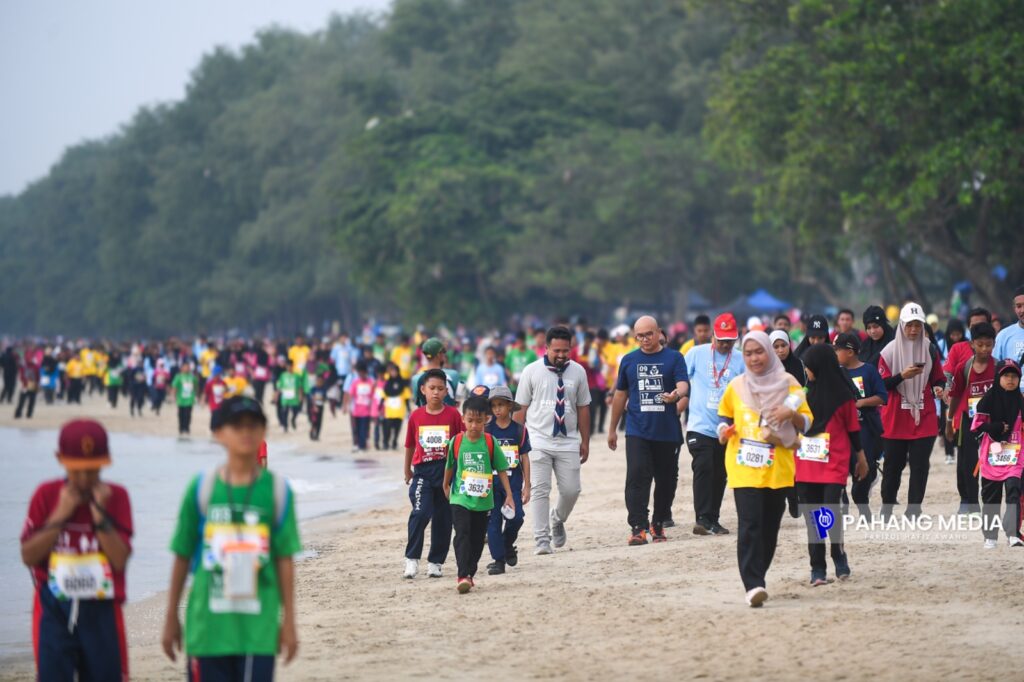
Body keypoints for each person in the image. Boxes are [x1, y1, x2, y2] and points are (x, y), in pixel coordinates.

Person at [161, 396, 301, 680]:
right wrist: (170, 617)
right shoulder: (201, 489)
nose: (245, 432)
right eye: (236, 425)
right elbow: (182, 555)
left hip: (258, 628)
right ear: (218, 433)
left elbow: (284, 559)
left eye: (253, 425)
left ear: (264, 432)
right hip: (207, 629)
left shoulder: (277, 491)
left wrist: (289, 623)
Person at [20, 419, 133, 681]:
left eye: (92, 470)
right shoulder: (46, 495)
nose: (84, 479)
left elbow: (119, 560)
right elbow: (28, 556)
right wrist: (60, 514)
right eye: (76, 470)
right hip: (53, 605)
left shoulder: (116, 496)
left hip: (102, 607)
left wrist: (101, 518)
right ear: (60, 459)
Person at [717, 331, 812, 607]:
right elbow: (723, 416)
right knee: (749, 524)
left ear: (769, 353)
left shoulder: (789, 383)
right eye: (748, 353)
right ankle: (753, 584)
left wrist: (789, 414)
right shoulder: (736, 386)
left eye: (759, 352)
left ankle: (759, 574)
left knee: (770, 527)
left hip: (778, 468)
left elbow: (806, 423)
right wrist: (723, 430)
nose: (754, 358)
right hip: (743, 466)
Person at [608, 316, 689, 545]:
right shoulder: (629, 360)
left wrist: (676, 394)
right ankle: (638, 527)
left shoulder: (674, 358)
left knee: (666, 481)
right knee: (636, 477)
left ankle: (658, 522)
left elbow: (683, 384)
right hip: (637, 430)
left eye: (648, 334)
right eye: (640, 336)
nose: (644, 339)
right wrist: (612, 428)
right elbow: (620, 394)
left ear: (659, 332)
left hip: (667, 431)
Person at [514, 326, 592, 555]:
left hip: (568, 441)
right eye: (556, 350)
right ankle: (542, 540)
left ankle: (557, 518)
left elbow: (583, 407)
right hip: (537, 440)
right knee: (539, 489)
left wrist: (585, 440)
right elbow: (520, 411)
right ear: (546, 347)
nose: (561, 355)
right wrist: (516, 445)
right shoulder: (531, 371)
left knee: (571, 490)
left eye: (565, 351)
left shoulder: (578, 372)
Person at [796, 344, 868, 585]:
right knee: (812, 517)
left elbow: (853, 429)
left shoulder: (844, 396)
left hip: (833, 463)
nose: (807, 372)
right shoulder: (802, 395)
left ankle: (838, 555)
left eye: (810, 368)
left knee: (830, 512)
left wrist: (861, 457)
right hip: (806, 463)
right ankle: (817, 567)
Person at [878, 302, 946, 519]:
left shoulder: (930, 348)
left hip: (923, 415)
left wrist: (938, 387)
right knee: (892, 467)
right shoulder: (888, 352)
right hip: (896, 416)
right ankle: (887, 506)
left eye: (918, 325)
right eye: (909, 325)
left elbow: (938, 377)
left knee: (920, 466)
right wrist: (902, 376)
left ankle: (914, 508)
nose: (914, 330)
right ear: (901, 325)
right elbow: (881, 385)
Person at [443, 396, 515, 593]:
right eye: (470, 421)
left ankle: (470, 573)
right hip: (460, 498)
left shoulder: (490, 442)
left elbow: (501, 469)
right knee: (462, 533)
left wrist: (509, 495)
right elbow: (449, 465)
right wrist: (445, 485)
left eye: (479, 421)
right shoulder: (456, 441)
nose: (474, 425)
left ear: (487, 420)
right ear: (463, 419)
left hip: (483, 501)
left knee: (476, 539)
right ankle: (462, 575)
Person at [683, 313, 744, 536]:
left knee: (720, 474)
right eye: (721, 340)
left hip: (728, 429)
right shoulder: (695, 354)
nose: (725, 345)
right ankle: (701, 518)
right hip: (699, 425)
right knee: (703, 466)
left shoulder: (740, 359)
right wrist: (678, 398)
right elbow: (680, 378)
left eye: (729, 340)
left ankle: (713, 519)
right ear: (713, 336)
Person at [403, 369, 464, 579]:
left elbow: (461, 443)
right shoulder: (416, 415)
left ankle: (436, 562)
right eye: (432, 388)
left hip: (447, 472)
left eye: (440, 389)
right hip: (423, 473)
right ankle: (411, 559)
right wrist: (407, 471)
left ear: (446, 391)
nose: (436, 393)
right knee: (420, 512)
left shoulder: (454, 415)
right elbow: (410, 444)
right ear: (423, 390)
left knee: (443, 519)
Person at [971, 359, 1024, 548]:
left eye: (1014, 376)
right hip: (991, 456)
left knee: (1013, 491)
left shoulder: (1021, 400)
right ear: (998, 377)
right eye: (1006, 376)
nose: (1010, 380)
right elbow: (976, 426)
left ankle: (1012, 534)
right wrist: (996, 426)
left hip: (1015, 456)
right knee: (991, 497)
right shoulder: (988, 399)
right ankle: (990, 537)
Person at [946, 323, 997, 515]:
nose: (984, 349)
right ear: (972, 344)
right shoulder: (964, 368)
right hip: (969, 421)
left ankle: (990, 502)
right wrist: (950, 421)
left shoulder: (999, 367)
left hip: (993, 423)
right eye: (980, 344)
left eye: (989, 345)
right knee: (969, 462)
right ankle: (972, 502)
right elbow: (956, 396)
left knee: (993, 462)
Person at [835, 333, 887, 517]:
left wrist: (861, 403)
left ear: (849, 352)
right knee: (841, 468)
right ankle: (843, 500)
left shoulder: (869, 371)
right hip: (841, 431)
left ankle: (862, 503)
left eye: (837, 350)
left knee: (863, 471)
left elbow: (882, 396)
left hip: (865, 429)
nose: (835, 353)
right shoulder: (835, 372)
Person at [485, 386, 532, 575]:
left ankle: (507, 544)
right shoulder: (487, 431)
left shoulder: (519, 431)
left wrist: (527, 486)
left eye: (501, 405)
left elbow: (525, 458)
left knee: (517, 518)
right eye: (494, 406)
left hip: (513, 485)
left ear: (510, 407)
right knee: (493, 522)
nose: (497, 409)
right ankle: (498, 560)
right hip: (492, 485)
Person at [411, 338, 461, 408]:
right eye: (443, 352)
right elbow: (459, 402)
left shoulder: (416, 379)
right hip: (449, 417)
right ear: (439, 354)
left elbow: (417, 404)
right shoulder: (453, 375)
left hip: (425, 418)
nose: (444, 354)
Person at [379, 362, 410, 450]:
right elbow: (383, 396)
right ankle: (386, 442)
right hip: (389, 410)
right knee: (387, 427)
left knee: (397, 428)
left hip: (399, 410)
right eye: (391, 371)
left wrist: (408, 409)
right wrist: (380, 407)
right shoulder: (387, 383)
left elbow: (406, 397)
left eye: (394, 371)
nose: (393, 373)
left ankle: (394, 441)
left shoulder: (403, 384)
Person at [347, 361, 376, 451]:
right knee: (357, 429)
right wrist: (348, 407)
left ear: (366, 372)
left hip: (366, 411)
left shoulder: (371, 382)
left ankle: (362, 446)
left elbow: (373, 396)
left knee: (364, 429)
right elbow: (350, 395)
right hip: (356, 411)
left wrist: (373, 410)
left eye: (362, 372)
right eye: (359, 373)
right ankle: (358, 444)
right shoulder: (355, 382)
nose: (361, 374)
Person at [993, 285, 1024, 365]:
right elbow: (995, 367)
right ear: (1014, 309)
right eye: (1019, 306)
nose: (1022, 310)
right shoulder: (1003, 336)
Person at [274, 364, 303, 433]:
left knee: (296, 411)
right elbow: (279, 387)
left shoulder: (296, 376)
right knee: (285, 412)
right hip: (285, 397)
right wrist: (276, 396)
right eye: (288, 366)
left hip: (294, 397)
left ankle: (293, 419)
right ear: (286, 367)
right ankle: (285, 426)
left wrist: (300, 396)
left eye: (290, 367)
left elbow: (299, 387)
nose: (289, 368)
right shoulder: (282, 376)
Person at [173, 361, 199, 436]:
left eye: (188, 367)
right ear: (182, 368)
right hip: (181, 399)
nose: (187, 368)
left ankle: (187, 428)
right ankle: (181, 428)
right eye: (185, 367)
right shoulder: (178, 377)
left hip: (190, 399)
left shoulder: (192, 377)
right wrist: (174, 396)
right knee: (181, 414)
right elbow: (175, 387)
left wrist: (196, 395)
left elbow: (196, 386)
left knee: (188, 414)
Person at [15, 352, 40, 419]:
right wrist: (25, 383)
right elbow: (21, 376)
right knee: (22, 401)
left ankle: (29, 414)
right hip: (25, 385)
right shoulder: (24, 366)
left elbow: (38, 376)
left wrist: (37, 383)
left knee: (32, 400)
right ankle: (18, 413)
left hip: (33, 384)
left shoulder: (35, 366)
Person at [204, 367, 228, 431]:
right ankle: (212, 428)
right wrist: (203, 400)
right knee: (215, 415)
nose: (217, 376)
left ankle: (217, 429)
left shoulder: (222, 383)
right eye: (215, 374)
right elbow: (206, 392)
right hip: (213, 403)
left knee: (220, 416)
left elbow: (226, 390)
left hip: (221, 403)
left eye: (218, 374)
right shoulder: (210, 383)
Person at [308, 374, 327, 441]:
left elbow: (324, 398)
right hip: (313, 407)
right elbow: (311, 398)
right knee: (314, 422)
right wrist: (314, 405)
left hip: (320, 407)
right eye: (318, 381)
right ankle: (311, 433)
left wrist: (318, 398)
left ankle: (317, 436)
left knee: (319, 422)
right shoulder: (313, 389)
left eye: (321, 381)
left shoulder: (323, 389)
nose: (319, 382)